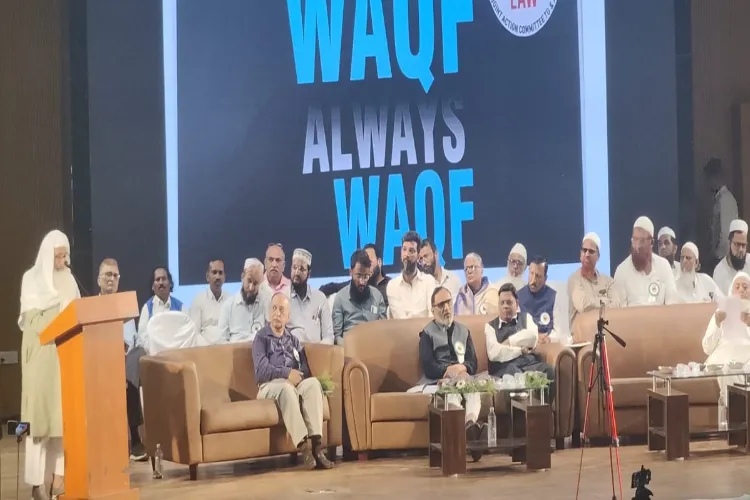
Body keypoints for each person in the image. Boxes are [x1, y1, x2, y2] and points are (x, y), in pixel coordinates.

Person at [19, 230, 80, 499]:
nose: (63, 261)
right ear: (47, 255)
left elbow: (78, 314)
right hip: (41, 358)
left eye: (65, 256)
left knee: (61, 424)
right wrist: (60, 313)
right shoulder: (31, 279)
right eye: (58, 256)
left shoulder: (69, 279)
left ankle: (58, 480)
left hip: (65, 355)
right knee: (39, 425)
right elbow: (33, 322)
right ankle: (37, 485)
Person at [252, 293, 334, 470]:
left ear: (288, 316)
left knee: (313, 384)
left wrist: (298, 378)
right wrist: (287, 373)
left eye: (281, 310)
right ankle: (304, 449)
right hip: (269, 386)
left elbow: (304, 370)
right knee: (285, 388)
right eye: (274, 308)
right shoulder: (261, 338)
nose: (277, 313)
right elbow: (261, 371)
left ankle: (317, 448)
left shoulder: (293, 340)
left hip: (292, 385)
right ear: (269, 312)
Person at [411, 287, 485, 439]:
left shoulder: (464, 331)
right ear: (433, 310)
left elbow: (473, 362)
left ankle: (470, 425)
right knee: (451, 393)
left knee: (473, 390)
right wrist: (449, 370)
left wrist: (461, 368)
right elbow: (429, 366)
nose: (446, 308)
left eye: (448, 302)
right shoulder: (427, 333)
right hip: (440, 379)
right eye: (441, 305)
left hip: (464, 377)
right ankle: (464, 433)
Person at [97, 258, 147, 461]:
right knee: (127, 373)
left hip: (125, 362)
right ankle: (135, 439)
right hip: (101, 362)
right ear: (99, 279)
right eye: (108, 275)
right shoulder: (90, 307)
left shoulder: (126, 307)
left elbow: (134, 340)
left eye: (115, 275)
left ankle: (135, 439)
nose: (112, 279)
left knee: (138, 353)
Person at [484, 284, 555, 400]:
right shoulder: (490, 326)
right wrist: (520, 350)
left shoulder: (526, 317)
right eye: (502, 303)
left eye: (509, 302)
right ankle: (524, 410)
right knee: (515, 375)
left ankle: (544, 408)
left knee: (549, 371)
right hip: (505, 368)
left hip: (529, 364)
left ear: (516, 304)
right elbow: (494, 352)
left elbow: (532, 337)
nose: (505, 306)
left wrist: (508, 342)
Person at [702, 272, 750, 428]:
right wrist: (717, 322)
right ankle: (740, 419)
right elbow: (707, 347)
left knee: (742, 369)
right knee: (728, 369)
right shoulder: (722, 311)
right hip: (724, 359)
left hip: (746, 360)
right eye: (737, 287)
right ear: (731, 291)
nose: (741, 290)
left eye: (745, 287)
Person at [613, 216, 678, 306]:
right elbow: (619, 311)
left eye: (642, 241)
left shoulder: (664, 266)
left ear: (651, 242)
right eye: (635, 240)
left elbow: (672, 304)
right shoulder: (621, 271)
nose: (637, 246)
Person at [332, 250, 387, 345]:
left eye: (365, 277)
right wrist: (350, 347)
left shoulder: (377, 296)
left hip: (373, 345)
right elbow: (337, 336)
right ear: (350, 272)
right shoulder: (340, 298)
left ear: (370, 273)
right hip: (348, 347)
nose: (362, 282)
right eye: (358, 276)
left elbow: (383, 330)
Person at [567, 232, 619, 328]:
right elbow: (583, 306)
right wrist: (605, 301)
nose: (587, 254)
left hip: (604, 333)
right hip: (581, 334)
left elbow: (616, 307)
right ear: (580, 254)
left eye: (591, 251)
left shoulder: (608, 282)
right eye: (584, 250)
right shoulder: (574, 280)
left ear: (598, 256)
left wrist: (594, 304)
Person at [218, 258, 270, 343]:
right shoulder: (228, 306)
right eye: (249, 281)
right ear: (242, 277)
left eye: (255, 283)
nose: (251, 287)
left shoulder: (264, 305)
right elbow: (221, 342)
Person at [387, 231, 437, 319]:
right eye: (404, 249)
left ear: (418, 256)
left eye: (411, 251)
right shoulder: (392, 286)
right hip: (403, 328)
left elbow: (432, 316)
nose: (407, 254)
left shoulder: (429, 281)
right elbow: (400, 319)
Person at [288, 248, 334, 344]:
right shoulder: (283, 298)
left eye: (301, 269)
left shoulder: (320, 298)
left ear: (309, 274)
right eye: (294, 267)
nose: (297, 272)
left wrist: (317, 350)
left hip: (316, 350)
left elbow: (329, 336)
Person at [137, 267, 186, 347]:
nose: (161, 282)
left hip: (176, 351)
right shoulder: (147, 308)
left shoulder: (180, 307)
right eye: (157, 279)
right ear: (153, 286)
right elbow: (142, 337)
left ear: (170, 283)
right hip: (154, 352)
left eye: (164, 279)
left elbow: (186, 333)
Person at [704, 157, 738, 268]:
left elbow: (725, 234)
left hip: (723, 259)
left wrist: (716, 257)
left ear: (715, 177)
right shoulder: (718, 199)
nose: (707, 183)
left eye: (708, 179)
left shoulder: (725, 200)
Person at [517, 256, 559, 342]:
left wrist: (548, 338)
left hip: (547, 343)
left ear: (545, 278)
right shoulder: (518, 296)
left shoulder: (554, 297)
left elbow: (559, 330)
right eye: (531, 273)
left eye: (538, 276)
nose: (533, 280)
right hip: (525, 343)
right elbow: (516, 329)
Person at [189, 259, 228, 345]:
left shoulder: (230, 300)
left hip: (226, 348)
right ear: (207, 277)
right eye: (214, 272)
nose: (217, 277)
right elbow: (195, 333)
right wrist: (208, 349)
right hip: (205, 349)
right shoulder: (198, 300)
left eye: (220, 273)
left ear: (224, 277)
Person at [713, 219, 750, 292]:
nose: (740, 249)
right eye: (737, 244)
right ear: (729, 243)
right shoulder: (719, 271)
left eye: (743, 245)